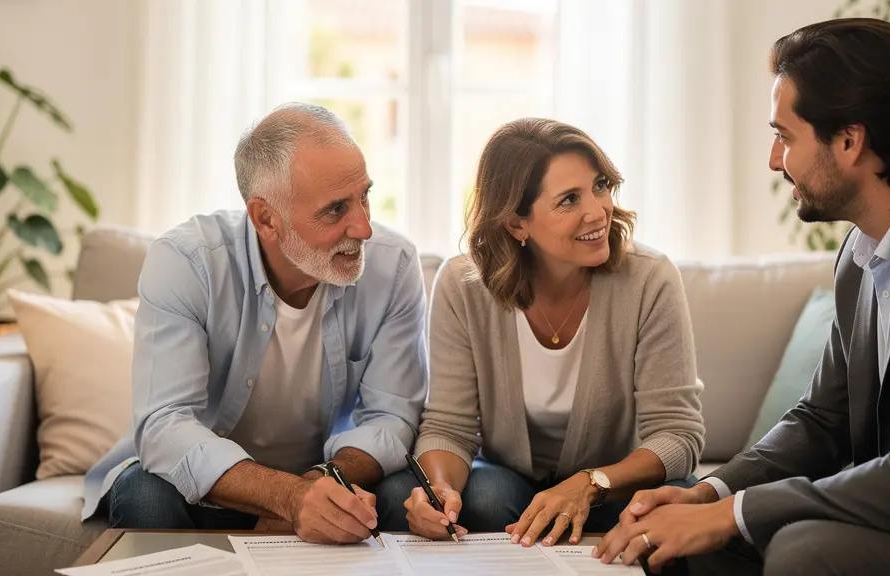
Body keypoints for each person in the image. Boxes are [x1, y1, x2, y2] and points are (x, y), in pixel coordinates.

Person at [594, 18, 890, 575]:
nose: (773, 159)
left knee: (799, 551)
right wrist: (710, 495)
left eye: (785, 136)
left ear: (849, 140)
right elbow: (821, 419)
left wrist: (734, 513)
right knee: (674, 543)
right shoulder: (861, 257)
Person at [80, 103, 429, 544]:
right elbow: (165, 424)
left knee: (403, 490)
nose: (363, 227)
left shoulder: (393, 266)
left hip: (329, 474)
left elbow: (393, 416)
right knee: (144, 495)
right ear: (266, 218)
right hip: (209, 486)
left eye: (365, 196)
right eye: (336, 209)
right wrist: (286, 497)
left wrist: (315, 488)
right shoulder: (188, 262)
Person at [382, 117, 705, 547]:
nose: (597, 211)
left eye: (601, 186)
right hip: (508, 480)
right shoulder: (462, 287)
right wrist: (440, 490)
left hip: (611, 482)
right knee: (468, 499)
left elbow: (678, 434)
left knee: (678, 501)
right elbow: (450, 425)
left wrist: (591, 483)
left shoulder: (650, 280)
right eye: (569, 200)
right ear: (517, 224)